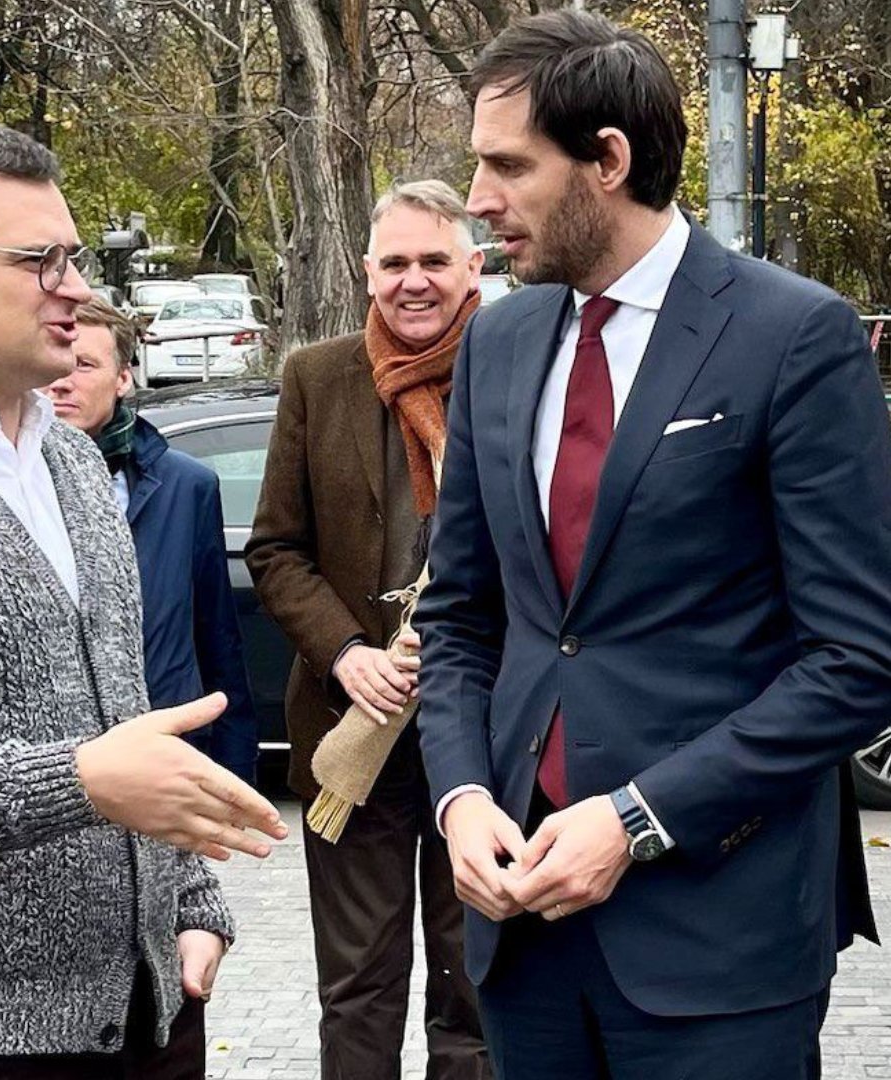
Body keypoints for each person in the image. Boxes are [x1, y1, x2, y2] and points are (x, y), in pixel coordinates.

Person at [414, 11, 891, 1080]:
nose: (479, 202)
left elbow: (859, 660)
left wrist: (637, 820)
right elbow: (459, 618)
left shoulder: (793, 335)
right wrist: (461, 799)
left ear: (608, 161)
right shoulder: (498, 338)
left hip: (717, 937)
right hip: (523, 936)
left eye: (506, 166)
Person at [0, 120, 285, 1080]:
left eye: (72, 257)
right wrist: (76, 780)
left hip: (150, 1018)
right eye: (39, 260)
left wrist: (193, 903)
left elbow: (126, 724)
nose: (76, 287)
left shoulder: (73, 461)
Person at [247, 180, 492, 1080]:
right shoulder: (317, 376)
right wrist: (348, 654)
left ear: (476, 264)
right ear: (367, 271)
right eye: (396, 263)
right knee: (358, 989)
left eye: (435, 260)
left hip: (488, 733)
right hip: (351, 740)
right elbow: (277, 550)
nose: (415, 281)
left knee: (475, 988)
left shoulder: (516, 370)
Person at [44, 297, 259, 784]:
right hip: (53, 759)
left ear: (123, 378)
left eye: (84, 365)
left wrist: (234, 763)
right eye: (54, 362)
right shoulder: (3, 482)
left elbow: (216, 637)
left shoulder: (187, 487)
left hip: (167, 751)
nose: (62, 381)